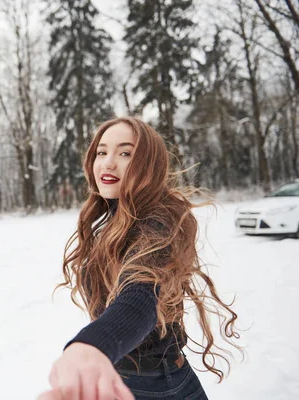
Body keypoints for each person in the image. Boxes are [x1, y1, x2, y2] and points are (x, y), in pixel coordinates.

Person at [38, 117, 244, 400]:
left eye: (125, 153)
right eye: (102, 152)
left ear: (149, 165)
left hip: (154, 384)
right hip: (125, 375)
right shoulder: (114, 220)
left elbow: (141, 294)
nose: (108, 163)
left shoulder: (157, 223)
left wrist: (93, 345)